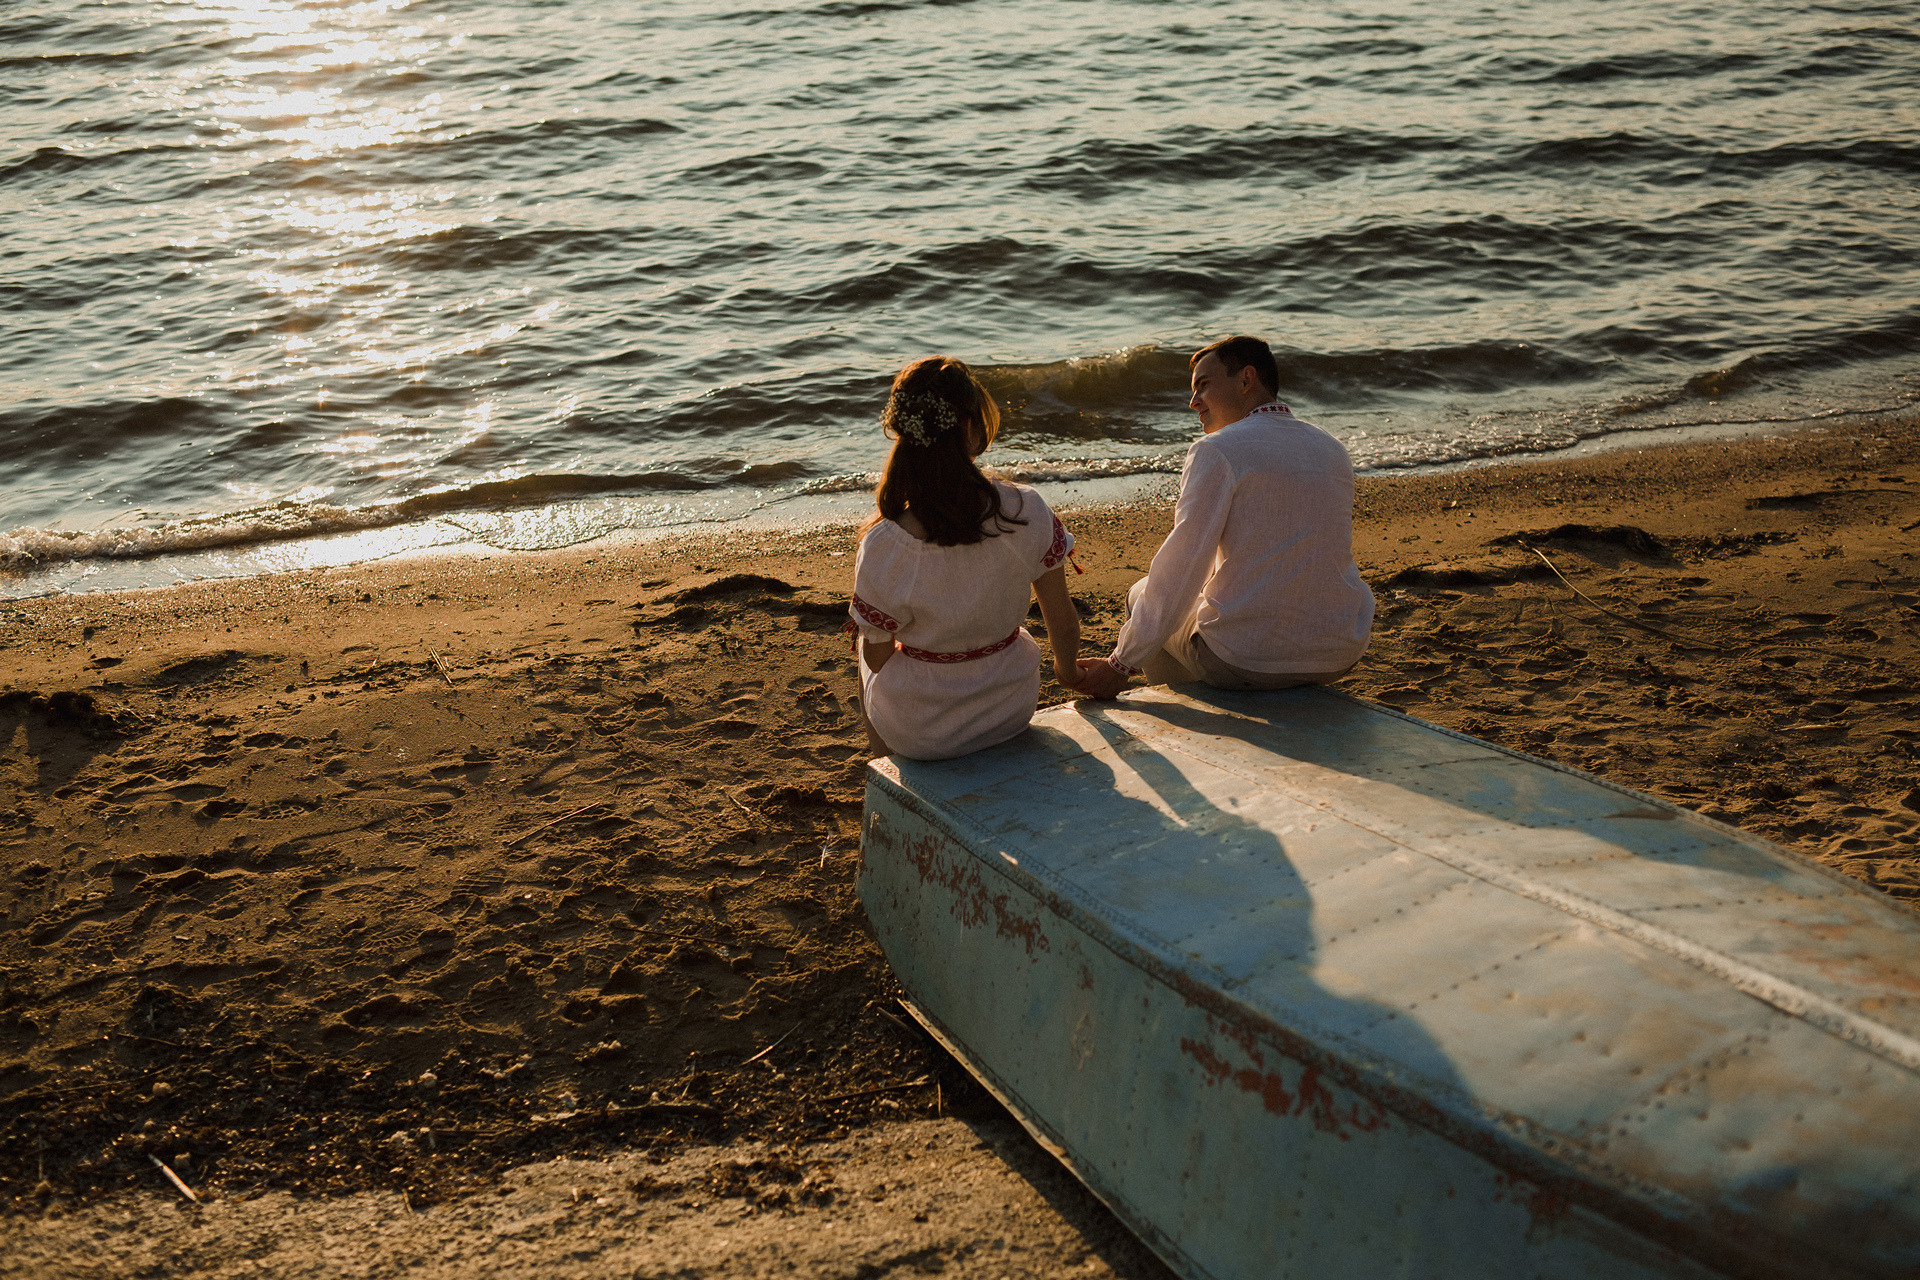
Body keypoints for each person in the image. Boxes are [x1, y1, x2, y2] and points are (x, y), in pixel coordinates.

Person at [1075, 335, 1373, 698]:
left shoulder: (1217, 449)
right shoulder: (1331, 448)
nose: (1192, 401)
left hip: (1248, 659)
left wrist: (1120, 664)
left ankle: (1189, 706)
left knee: (1142, 593)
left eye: (1203, 385)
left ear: (1247, 380)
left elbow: (1184, 564)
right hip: (1337, 651)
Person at [849, 356, 1082, 760]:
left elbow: (877, 655)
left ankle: (884, 763)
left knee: (864, 648)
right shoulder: (1025, 509)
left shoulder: (886, 543)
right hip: (1010, 710)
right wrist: (1069, 672)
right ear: (971, 427)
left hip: (922, 733)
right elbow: (1061, 620)